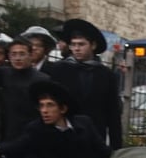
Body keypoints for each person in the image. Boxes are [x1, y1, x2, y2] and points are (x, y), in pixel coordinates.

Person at [44, 18, 123, 149]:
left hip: (95, 137)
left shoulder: (105, 74)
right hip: (65, 135)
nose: (76, 49)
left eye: (81, 44)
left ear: (93, 45)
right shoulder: (59, 69)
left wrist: (116, 147)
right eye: (73, 45)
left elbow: (113, 113)